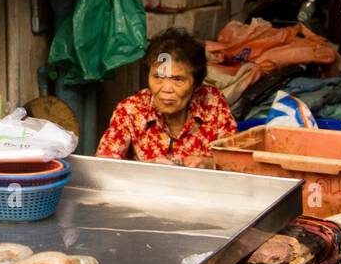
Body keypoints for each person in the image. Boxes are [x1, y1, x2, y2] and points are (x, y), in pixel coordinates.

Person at [95, 28, 236, 167]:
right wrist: (147, 168)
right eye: (158, 77)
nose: (166, 89)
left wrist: (209, 163)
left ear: (196, 85)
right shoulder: (131, 110)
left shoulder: (213, 103)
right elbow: (105, 165)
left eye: (178, 79)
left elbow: (236, 162)